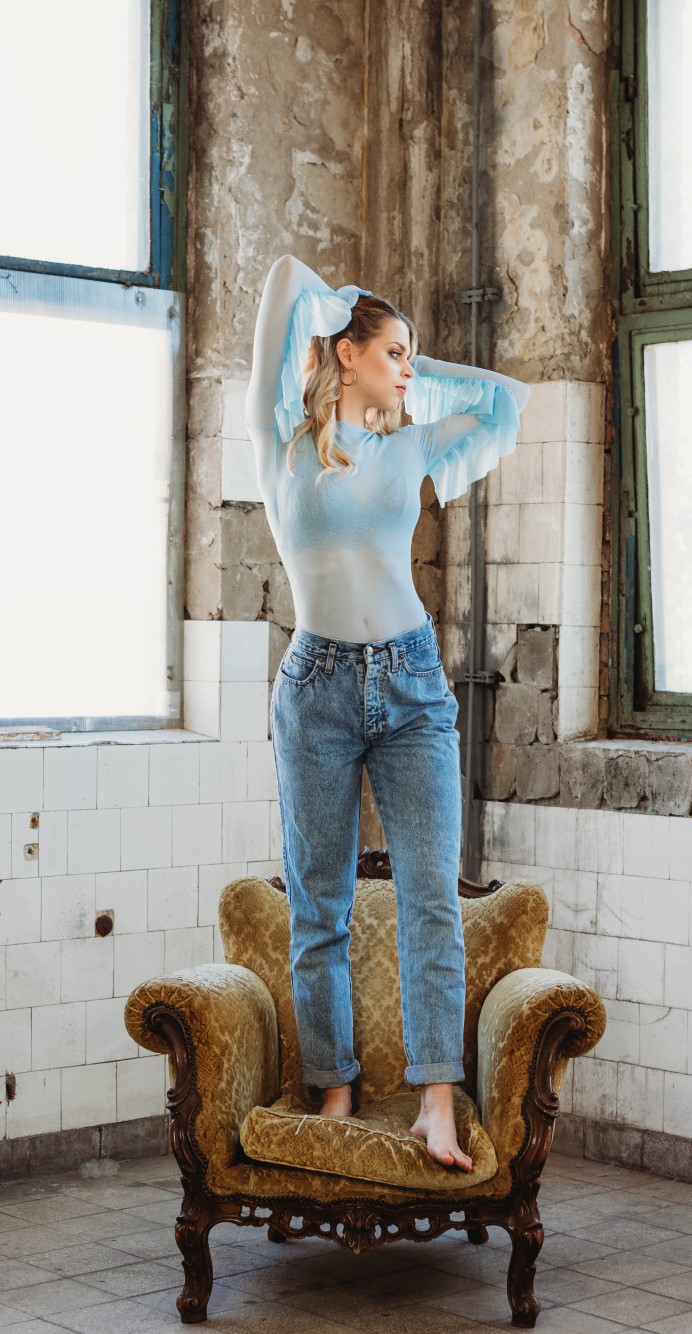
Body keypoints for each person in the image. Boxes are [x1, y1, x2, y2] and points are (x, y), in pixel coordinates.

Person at [244, 254, 530, 1170]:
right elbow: (282, 279)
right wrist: (341, 313)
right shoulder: (279, 438)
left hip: (412, 689)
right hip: (316, 692)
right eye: (394, 353)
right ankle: (334, 1085)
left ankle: (435, 1100)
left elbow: (505, 402)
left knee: (431, 900)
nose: (408, 369)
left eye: (412, 357)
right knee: (318, 906)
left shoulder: (410, 447)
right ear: (346, 351)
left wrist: (415, 366)